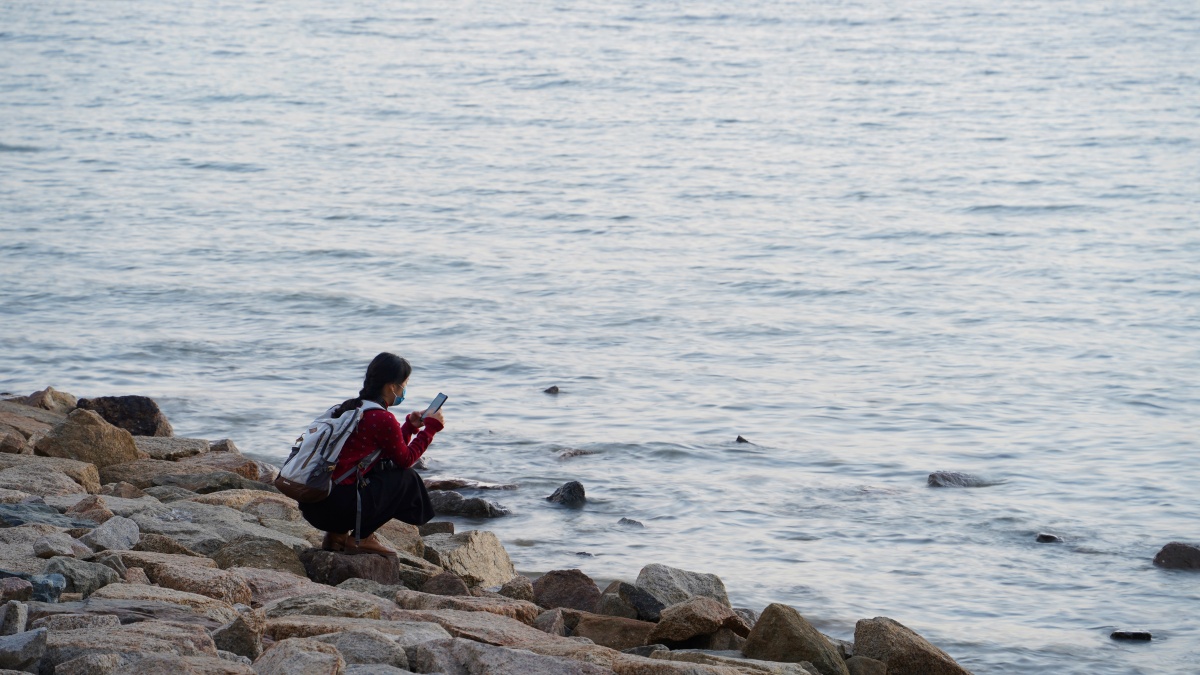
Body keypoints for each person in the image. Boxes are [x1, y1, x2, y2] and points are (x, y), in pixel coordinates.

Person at [298, 352, 444, 557]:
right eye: (404, 385)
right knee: (406, 478)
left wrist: (409, 428)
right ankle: (361, 538)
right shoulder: (382, 418)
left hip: (313, 503)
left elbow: (385, 452)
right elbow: (406, 460)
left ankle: (336, 536)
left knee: (373, 470)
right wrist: (430, 430)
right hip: (335, 508)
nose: (404, 391)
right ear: (392, 386)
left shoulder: (350, 408)